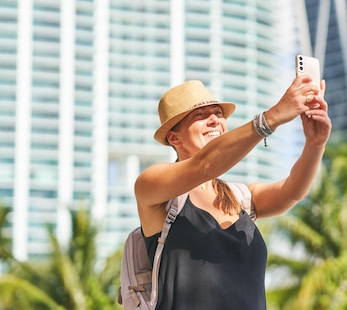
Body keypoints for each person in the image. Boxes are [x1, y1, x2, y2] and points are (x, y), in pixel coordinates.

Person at [134, 75, 331, 310]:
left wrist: (315, 144)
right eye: (200, 115)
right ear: (174, 137)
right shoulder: (152, 186)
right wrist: (273, 117)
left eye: (218, 114)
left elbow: (292, 192)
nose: (214, 120)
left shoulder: (240, 197)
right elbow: (206, 165)